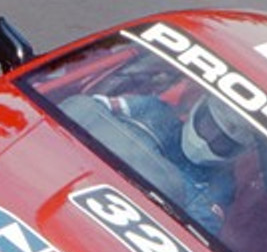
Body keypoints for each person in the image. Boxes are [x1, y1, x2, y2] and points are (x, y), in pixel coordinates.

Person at [92, 92, 256, 233]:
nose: (209, 139)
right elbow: (92, 107)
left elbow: (198, 229)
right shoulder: (153, 110)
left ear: (237, 151)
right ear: (199, 109)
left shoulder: (221, 184)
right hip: (94, 178)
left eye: (223, 141)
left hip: (138, 223)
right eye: (209, 125)